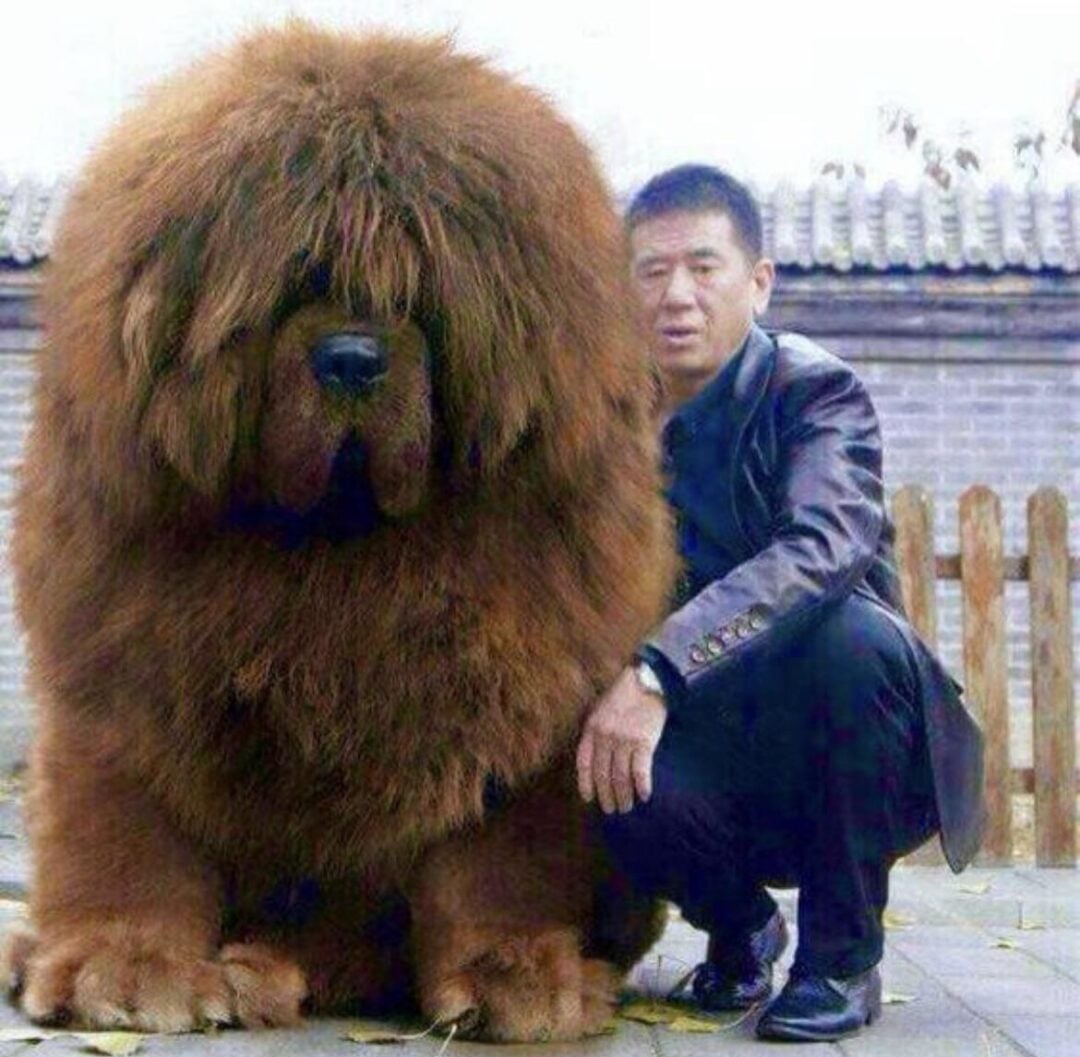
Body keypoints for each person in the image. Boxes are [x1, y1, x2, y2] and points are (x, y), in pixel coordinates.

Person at [576, 164, 985, 1043]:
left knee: (853, 638)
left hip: (852, 746)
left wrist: (657, 669)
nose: (676, 295)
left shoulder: (814, 392)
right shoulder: (608, 423)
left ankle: (840, 958)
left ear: (759, 281)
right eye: (651, 272)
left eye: (703, 266)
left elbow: (822, 547)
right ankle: (742, 927)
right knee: (591, 743)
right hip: (712, 748)